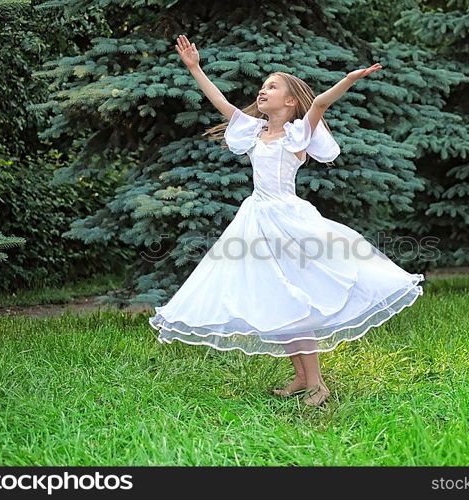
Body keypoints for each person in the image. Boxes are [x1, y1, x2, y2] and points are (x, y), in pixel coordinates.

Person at [149, 35, 425, 407]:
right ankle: (300, 377)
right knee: (277, 299)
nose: (263, 91)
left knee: (297, 302)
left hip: (289, 223)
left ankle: (317, 385)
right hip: (256, 221)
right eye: (262, 87)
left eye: (272, 87)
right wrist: (195, 67)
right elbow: (222, 103)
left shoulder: (297, 134)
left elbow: (322, 103)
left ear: (290, 101)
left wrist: (350, 79)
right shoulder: (254, 131)